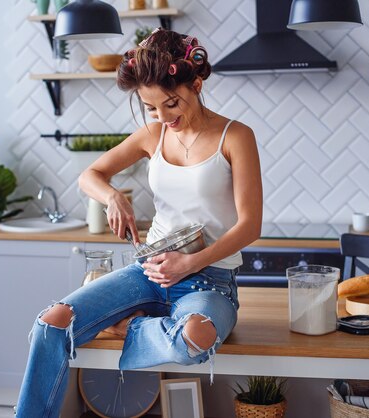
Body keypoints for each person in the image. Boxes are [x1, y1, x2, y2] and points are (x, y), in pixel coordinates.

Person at [14, 28, 262, 417]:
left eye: (171, 103)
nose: (164, 117)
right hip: (148, 272)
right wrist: (112, 196)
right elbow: (90, 175)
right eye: (151, 108)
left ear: (196, 84)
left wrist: (190, 263)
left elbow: (250, 226)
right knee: (53, 322)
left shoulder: (236, 137)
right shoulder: (153, 135)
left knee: (194, 338)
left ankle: (130, 326)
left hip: (209, 280)